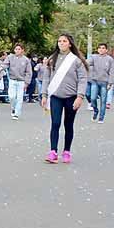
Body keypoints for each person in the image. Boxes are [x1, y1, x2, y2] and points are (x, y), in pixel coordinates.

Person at [38, 33, 89, 164]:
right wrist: (44, 95)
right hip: (56, 96)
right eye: (59, 41)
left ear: (70, 44)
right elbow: (46, 78)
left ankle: (66, 151)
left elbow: (83, 79)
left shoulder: (76, 60)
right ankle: (53, 152)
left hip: (71, 97)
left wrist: (80, 96)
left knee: (68, 124)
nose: (61, 43)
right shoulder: (52, 58)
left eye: (64, 41)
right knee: (55, 123)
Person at [3, 43, 32, 120]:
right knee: (11, 96)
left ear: (22, 50)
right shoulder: (10, 57)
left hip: (21, 81)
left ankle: (16, 114)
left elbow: (29, 72)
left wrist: (27, 82)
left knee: (19, 98)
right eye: (16, 49)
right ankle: (13, 108)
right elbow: (5, 64)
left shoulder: (26, 60)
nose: (17, 50)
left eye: (19, 49)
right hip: (12, 80)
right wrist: (1, 68)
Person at [85, 42, 111, 123]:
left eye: (103, 48)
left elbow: (112, 72)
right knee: (92, 98)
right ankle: (96, 111)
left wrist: (110, 83)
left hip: (105, 83)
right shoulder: (94, 57)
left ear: (106, 50)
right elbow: (86, 63)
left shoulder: (110, 59)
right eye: (100, 48)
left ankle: (101, 118)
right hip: (95, 81)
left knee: (103, 101)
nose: (101, 49)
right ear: (97, 49)